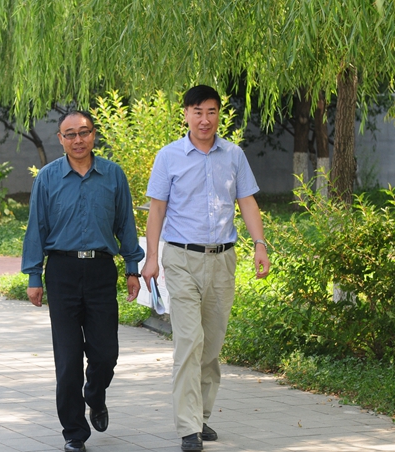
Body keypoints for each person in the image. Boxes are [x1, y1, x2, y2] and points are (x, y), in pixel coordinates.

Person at [141, 85, 270, 452]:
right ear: (185, 114)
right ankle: (188, 427)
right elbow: (157, 210)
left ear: (218, 115)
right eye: (197, 112)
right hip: (181, 258)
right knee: (189, 341)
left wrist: (260, 244)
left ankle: (200, 416)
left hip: (222, 260)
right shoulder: (169, 156)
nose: (204, 119)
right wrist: (152, 257)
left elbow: (247, 202)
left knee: (211, 345)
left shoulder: (233, 155)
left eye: (211, 112)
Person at [22, 111, 145, 452]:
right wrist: (34, 275)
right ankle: (74, 432)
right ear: (60, 139)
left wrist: (132, 268)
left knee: (106, 354)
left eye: (84, 132)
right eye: (70, 134)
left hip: (101, 271)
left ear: (94, 134)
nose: (78, 140)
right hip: (61, 272)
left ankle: (95, 393)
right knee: (68, 359)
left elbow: (126, 224)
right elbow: (36, 228)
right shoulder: (47, 178)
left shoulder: (113, 175)